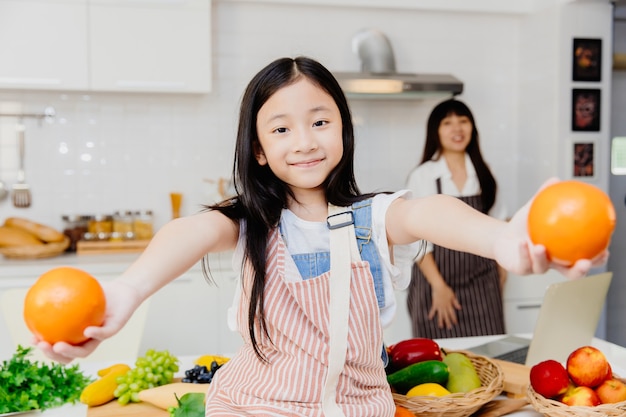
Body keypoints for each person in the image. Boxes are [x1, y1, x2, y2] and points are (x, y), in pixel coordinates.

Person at [36, 57, 602, 417]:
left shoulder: (373, 218)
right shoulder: (250, 222)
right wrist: (127, 293)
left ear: (342, 129)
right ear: (259, 149)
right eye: (280, 128)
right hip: (255, 408)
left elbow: (432, 213)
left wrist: (505, 239)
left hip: (361, 410)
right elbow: (189, 231)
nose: (303, 140)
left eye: (320, 121)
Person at [405, 98, 508, 339]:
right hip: (436, 285)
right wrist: (439, 287)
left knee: (489, 358)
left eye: (463, 121)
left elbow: (500, 226)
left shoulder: (485, 173)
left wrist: (502, 272)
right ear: (436, 132)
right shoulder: (423, 176)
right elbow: (416, 241)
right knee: (438, 360)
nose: (457, 129)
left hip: (483, 285)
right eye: (447, 123)